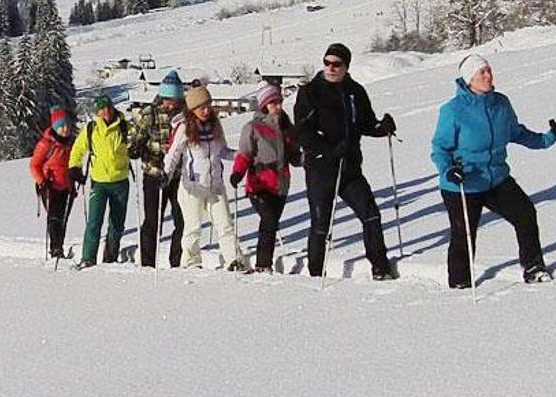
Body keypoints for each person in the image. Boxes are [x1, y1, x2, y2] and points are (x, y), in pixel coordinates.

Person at [431, 53, 556, 286]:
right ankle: (460, 282)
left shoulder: (500, 103)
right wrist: (448, 169)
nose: (488, 76)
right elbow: (440, 148)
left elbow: (517, 133)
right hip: (463, 182)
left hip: (496, 179)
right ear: (469, 79)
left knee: (525, 213)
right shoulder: (453, 110)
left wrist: (549, 138)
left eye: (489, 70)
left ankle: (533, 267)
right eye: (481, 72)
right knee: (464, 234)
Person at [292, 43, 397, 280]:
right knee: (321, 224)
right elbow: (302, 131)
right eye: (327, 62)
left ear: (346, 66)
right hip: (321, 169)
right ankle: (316, 274)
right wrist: (328, 150)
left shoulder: (355, 91)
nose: (330, 68)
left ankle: (380, 268)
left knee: (371, 214)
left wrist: (382, 128)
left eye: (336, 64)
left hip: (350, 168)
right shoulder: (310, 92)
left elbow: (366, 123)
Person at [163, 84, 248, 270]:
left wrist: (241, 156)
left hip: (215, 185)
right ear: (192, 109)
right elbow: (173, 154)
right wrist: (166, 173)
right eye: (201, 107)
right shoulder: (184, 128)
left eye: (208, 105)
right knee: (193, 228)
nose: (206, 110)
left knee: (225, 225)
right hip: (192, 187)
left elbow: (222, 151)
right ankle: (191, 263)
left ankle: (234, 260)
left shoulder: (215, 126)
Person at [231, 82, 300, 272]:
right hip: (259, 185)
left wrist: (308, 159)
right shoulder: (253, 128)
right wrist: (237, 173)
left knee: (271, 224)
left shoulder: (286, 127)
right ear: (264, 105)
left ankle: (264, 263)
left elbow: (294, 155)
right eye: (273, 103)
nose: (278, 106)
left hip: (280, 185)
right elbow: (244, 154)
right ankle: (263, 264)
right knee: (269, 222)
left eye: (279, 102)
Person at [125, 72, 187, 268]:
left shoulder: (185, 115)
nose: (171, 105)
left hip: (178, 176)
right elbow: (133, 145)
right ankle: (147, 263)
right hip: (154, 174)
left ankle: (177, 261)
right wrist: (152, 149)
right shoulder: (149, 114)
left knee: (182, 221)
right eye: (168, 100)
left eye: (175, 100)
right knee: (153, 221)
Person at [69, 91, 133, 267]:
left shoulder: (124, 126)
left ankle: (110, 258)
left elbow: (135, 143)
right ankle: (88, 258)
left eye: (108, 107)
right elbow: (78, 149)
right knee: (94, 222)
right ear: (97, 112)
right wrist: (74, 168)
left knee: (117, 224)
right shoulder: (91, 128)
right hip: (99, 182)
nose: (106, 111)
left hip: (120, 181)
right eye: (101, 109)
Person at [28, 105, 78, 260]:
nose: (65, 129)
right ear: (55, 127)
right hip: (50, 186)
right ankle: (55, 249)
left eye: (67, 126)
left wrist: (77, 176)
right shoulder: (46, 144)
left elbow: (74, 163)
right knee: (54, 218)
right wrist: (42, 181)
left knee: (63, 218)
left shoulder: (70, 143)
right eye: (61, 126)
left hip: (66, 186)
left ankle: (59, 246)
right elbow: (34, 165)